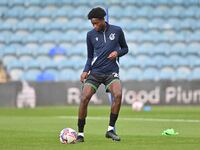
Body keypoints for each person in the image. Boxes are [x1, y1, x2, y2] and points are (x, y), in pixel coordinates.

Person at [76, 7, 128, 142]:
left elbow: (125, 48)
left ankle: (110, 130)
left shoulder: (117, 31)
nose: (94, 26)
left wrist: (117, 53)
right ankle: (80, 133)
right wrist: (85, 70)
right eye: (92, 24)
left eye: (95, 23)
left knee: (118, 94)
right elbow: (89, 56)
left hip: (111, 72)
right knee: (84, 98)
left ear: (102, 20)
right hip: (95, 72)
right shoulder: (90, 35)